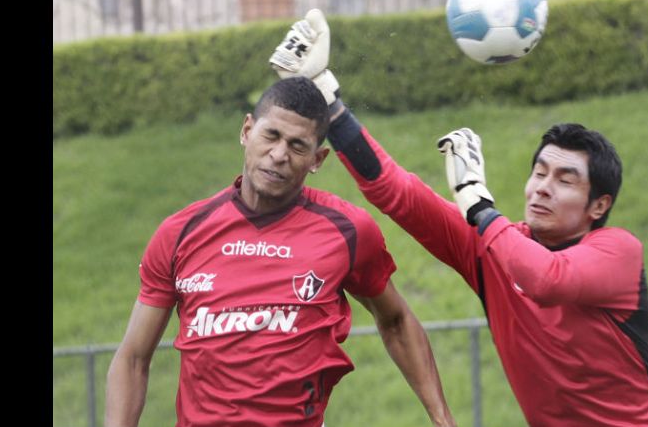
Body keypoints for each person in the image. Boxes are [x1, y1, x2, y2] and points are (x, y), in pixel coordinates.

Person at [269, 9, 648, 426]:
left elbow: (548, 279)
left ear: (599, 206)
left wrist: (479, 205)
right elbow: (395, 191)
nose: (543, 187)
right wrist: (326, 97)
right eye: (539, 172)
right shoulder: (492, 248)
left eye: (565, 179)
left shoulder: (618, 252)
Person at [104, 76, 456, 427]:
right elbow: (133, 358)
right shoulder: (179, 234)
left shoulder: (347, 232)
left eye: (298, 146)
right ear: (246, 131)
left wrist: (443, 420)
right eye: (270, 135)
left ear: (318, 159)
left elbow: (396, 322)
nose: (279, 155)